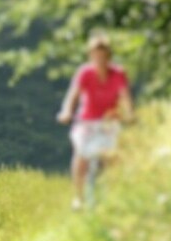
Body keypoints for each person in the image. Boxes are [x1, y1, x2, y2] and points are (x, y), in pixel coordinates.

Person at [57, 34, 135, 210]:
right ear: (90, 56)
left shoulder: (118, 74)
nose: (99, 59)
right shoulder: (85, 72)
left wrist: (129, 113)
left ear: (109, 56)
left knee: (112, 158)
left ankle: (113, 197)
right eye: (95, 55)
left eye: (103, 55)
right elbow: (73, 95)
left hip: (109, 121)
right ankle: (79, 198)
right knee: (81, 155)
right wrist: (66, 111)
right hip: (86, 122)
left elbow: (125, 97)